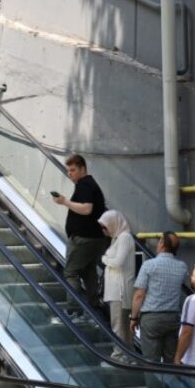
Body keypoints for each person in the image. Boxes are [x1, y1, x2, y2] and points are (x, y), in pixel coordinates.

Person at [51, 154, 109, 323]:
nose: (70, 174)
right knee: (88, 271)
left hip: (84, 239)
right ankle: (93, 310)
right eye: (68, 171)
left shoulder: (85, 184)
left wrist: (64, 202)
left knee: (71, 272)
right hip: (96, 238)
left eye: (73, 170)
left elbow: (86, 209)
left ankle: (73, 311)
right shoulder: (90, 185)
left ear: (83, 169)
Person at [130, 231, 188, 364]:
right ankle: (171, 384)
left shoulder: (149, 265)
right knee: (171, 359)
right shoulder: (182, 266)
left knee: (151, 361)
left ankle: (154, 385)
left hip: (151, 318)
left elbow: (139, 295)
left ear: (162, 244)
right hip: (173, 318)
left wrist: (133, 317)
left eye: (160, 240)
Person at [98, 210, 136, 362]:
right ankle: (129, 355)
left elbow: (118, 262)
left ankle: (119, 356)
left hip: (119, 290)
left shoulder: (124, 238)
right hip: (117, 289)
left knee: (118, 325)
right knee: (123, 326)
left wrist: (104, 259)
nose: (104, 230)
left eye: (105, 226)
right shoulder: (118, 238)